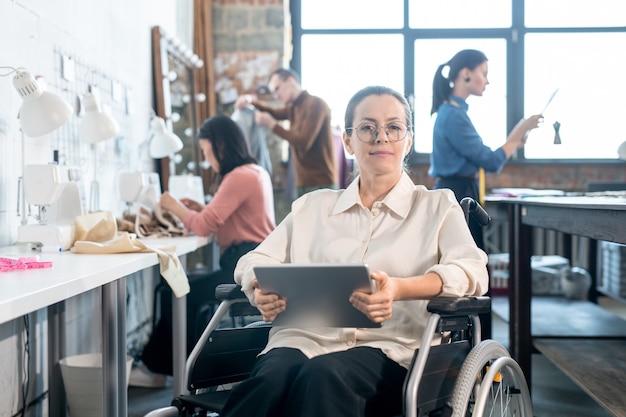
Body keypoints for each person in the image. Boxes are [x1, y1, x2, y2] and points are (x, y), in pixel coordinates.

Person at [220, 86, 489, 417]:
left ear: (408, 140)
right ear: (348, 141)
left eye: (393, 127)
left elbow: (472, 270)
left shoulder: (436, 206)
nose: (381, 137)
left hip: (393, 350)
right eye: (367, 127)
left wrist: (400, 288)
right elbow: (254, 259)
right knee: (269, 381)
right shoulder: (312, 207)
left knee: (324, 376)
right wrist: (258, 286)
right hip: (304, 340)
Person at [131, 115, 276, 386]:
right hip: (252, 258)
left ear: (220, 145)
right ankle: (163, 368)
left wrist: (174, 206)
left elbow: (202, 227)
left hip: (244, 264)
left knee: (179, 293)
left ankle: (181, 373)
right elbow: (224, 219)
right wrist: (200, 210)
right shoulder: (255, 172)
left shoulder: (239, 176)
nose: (207, 159)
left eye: (207, 151)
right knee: (174, 289)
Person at [429, 49, 543, 250]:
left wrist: (516, 138)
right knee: (466, 262)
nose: (487, 81)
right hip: (457, 194)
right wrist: (521, 129)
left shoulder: (452, 112)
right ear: (466, 73)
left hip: (459, 191)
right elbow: (490, 161)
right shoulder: (453, 116)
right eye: (484, 73)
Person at [234, 68, 338, 197]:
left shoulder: (315, 104)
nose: (276, 96)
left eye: (277, 89)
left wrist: (271, 124)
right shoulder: (294, 107)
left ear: (290, 80)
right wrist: (250, 100)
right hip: (303, 181)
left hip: (320, 182)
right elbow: (273, 112)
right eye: (273, 93)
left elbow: (303, 142)